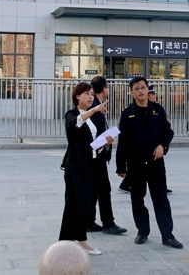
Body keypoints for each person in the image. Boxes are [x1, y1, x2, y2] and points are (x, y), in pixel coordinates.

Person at [116, 77, 183, 249]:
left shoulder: (158, 110)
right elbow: (122, 141)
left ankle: (167, 236)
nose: (140, 91)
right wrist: (120, 166)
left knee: (161, 200)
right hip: (135, 165)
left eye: (143, 87)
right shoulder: (127, 114)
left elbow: (168, 132)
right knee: (137, 200)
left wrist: (163, 146)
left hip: (155, 163)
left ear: (147, 90)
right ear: (132, 92)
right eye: (136, 88)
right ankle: (142, 231)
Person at [59, 82, 113, 255]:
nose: (90, 97)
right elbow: (74, 125)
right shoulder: (72, 114)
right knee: (73, 205)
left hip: (89, 166)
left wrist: (104, 143)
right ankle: (69, 243)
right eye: (86, 94)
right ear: (77, 96)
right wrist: (94, 110)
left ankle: (76, 241)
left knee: (82, 205)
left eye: (91, 94)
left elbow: (91, 146)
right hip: (75, 168)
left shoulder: (91, 119)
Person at [86, 76, 127, 235]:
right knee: (103, 189)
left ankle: (89, 221)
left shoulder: (95, 105)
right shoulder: (95, 107)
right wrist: (106, 139)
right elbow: (94, 135)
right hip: (96, 155)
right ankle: (108, 223)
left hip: (94, 154)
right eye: (107, 87)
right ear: (104, 89)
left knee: (94, 189)